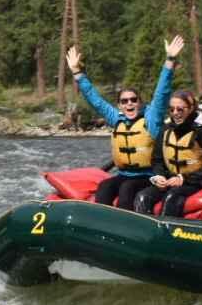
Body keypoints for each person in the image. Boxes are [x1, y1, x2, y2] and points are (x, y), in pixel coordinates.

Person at [67, 35, 185, 210]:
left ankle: (126, 227)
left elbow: (161, 94)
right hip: (124, 174)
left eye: (133, 99)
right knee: (105, 186)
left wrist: (169, 61)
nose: (129, 103)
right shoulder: (117, 119)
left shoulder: (151, 119)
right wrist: (77, 72)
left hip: (149, 176)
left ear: (140, 102)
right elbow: (96, 100)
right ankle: (100, 224)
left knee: (127, 189)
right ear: (120, 105)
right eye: (124, 101)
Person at [135, 90, 202, 218]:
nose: (175, 113)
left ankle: (165, 235)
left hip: (196, 183)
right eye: (171, 109)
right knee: (142, 196)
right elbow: (157, 160)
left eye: (180, 109)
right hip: (169, 180)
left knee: (171, 196)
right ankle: (144, 233)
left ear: (191, 109)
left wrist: (183, 179)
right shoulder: (165, 130)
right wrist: (159, 176)